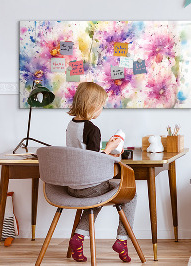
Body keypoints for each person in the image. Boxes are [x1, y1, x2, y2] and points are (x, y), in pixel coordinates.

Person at [66, 82, 136, 263]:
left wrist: (105, 150)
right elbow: (94, 160)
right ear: (92, 105)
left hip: (72, 186)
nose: (101, 110)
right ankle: (122, 240)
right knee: (131, 194)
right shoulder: (92, 129)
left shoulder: (71, 125)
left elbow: (82, 154)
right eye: (101, 106)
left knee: (96, 197)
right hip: (89, 186)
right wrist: (111, 148)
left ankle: (78, 238)